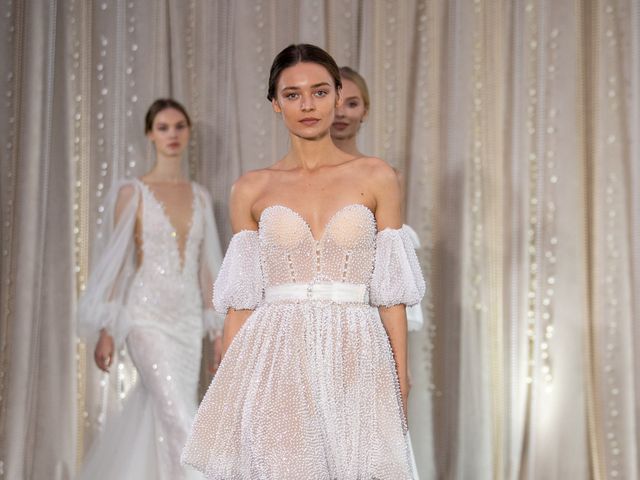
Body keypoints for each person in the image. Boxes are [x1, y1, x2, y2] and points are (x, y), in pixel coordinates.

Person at [182, 44, 425, 479]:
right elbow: (241, 302)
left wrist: (400, 378)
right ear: (276, 103)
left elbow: (392, 295)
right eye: (292, 94)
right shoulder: (251, 188)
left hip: (358, 351)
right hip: (276, 352)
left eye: (319, 92)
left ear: (337, 96)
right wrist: (230, 387)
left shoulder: (377, 177)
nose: (307, 105)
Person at [77, 98, 223, 480]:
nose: (172, 134)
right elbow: (118, 264)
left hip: (187, 323)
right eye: (163, 127)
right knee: (180, 416)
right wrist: (107, 329)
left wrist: (217, 332)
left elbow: (206, 269)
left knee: (169, 416)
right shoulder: (133, 192)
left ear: (188, 133)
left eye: (179, 126)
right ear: (150, 135)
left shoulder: (200, 196)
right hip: (145, 319)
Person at [331, 65, 425, 332]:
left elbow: (389, 262)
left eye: (352, 104)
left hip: (364, 313)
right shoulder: (295, 179)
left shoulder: (386, 177)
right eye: (335, 103)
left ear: (365, 111)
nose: (341, 113)